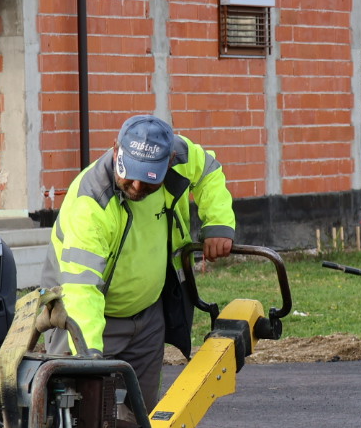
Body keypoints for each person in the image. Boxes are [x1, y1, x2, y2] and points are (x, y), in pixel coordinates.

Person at [45, 114, 235, 411]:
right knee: (79, 413)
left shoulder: (181, 155)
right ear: (115, 150)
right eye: (129, 173)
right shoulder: (91, 206)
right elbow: (81, 291)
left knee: (142, 415)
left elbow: (208, 168)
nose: (135, 185)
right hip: (88, 314)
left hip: (147, 316)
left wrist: (219, 224)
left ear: (169, 161)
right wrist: (90, 355)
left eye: (148, 179)